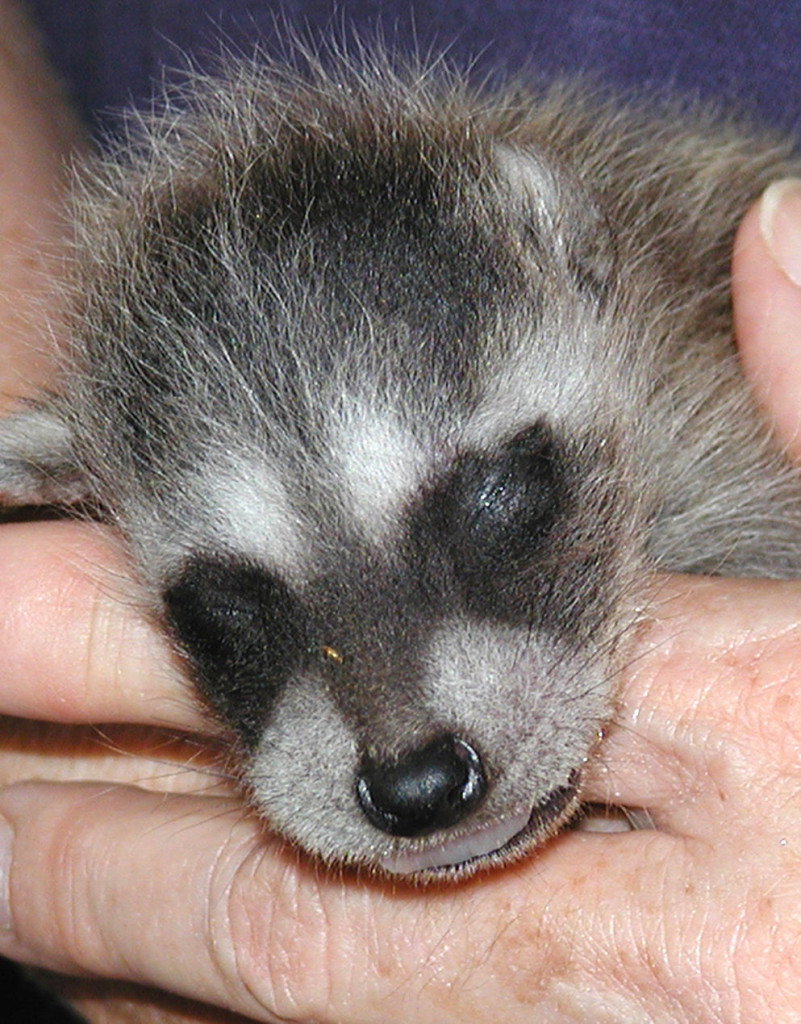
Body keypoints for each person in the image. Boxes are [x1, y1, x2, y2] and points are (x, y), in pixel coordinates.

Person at [2, 1, 801, 1021]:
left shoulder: (692, 351)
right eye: (235, 611)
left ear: (575, 266)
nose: (402, 750)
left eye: (491, 506)